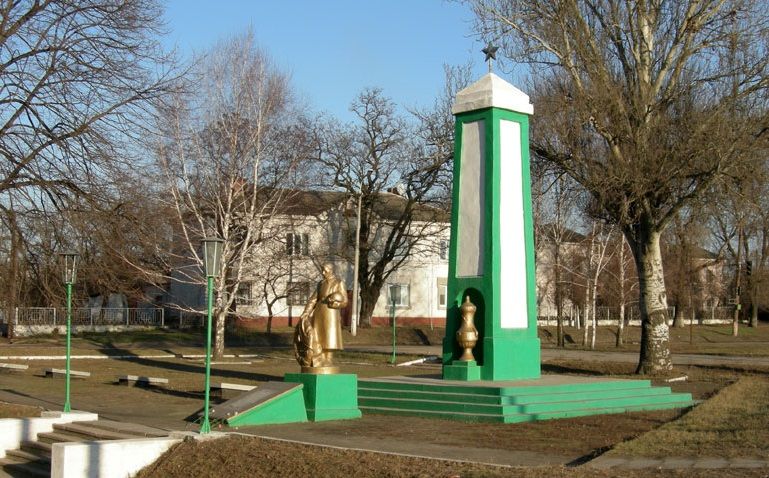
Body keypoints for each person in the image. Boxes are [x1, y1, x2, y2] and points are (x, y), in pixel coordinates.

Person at [295, 263, 348, 368]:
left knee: (329, 338)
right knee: (317, 337)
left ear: (331, 270)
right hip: (319, 314)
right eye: (322, 271)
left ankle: (328, 361)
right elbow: (313, 300)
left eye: (325, 271)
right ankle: (318, 361)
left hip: (331, 314)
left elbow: (345, 301)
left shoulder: (339, 283)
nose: (323, 273)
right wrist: (306, 313)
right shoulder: (321, 284)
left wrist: (337, 304)